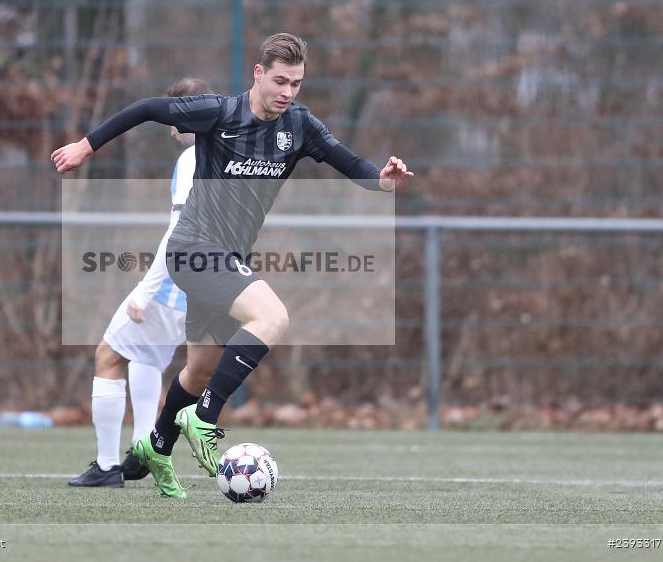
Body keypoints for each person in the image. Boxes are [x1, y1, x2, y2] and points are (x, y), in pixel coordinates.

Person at [53, 33, 414, 498]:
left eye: (297, 84)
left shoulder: (300, 126)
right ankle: (203, 419)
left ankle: (156, 447)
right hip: (192, 249)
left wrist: (382, 182)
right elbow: (144, 108)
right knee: (273, 317)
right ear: (258, 73)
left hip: (227, 261)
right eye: (280, 81)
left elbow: (352, 165)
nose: (288, 92)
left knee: (199, 367)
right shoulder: (218, 113)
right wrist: (86, 145)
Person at [66, 78, 211, 488]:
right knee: (146, 357)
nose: (169, 128)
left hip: (177, 283)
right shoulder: (224, 153)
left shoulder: (193, 158)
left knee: (109, 354)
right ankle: (144, 446)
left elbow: (183, 228)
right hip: (212, 287)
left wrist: (146, 289)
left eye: (172, 118)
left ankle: (107, 466)